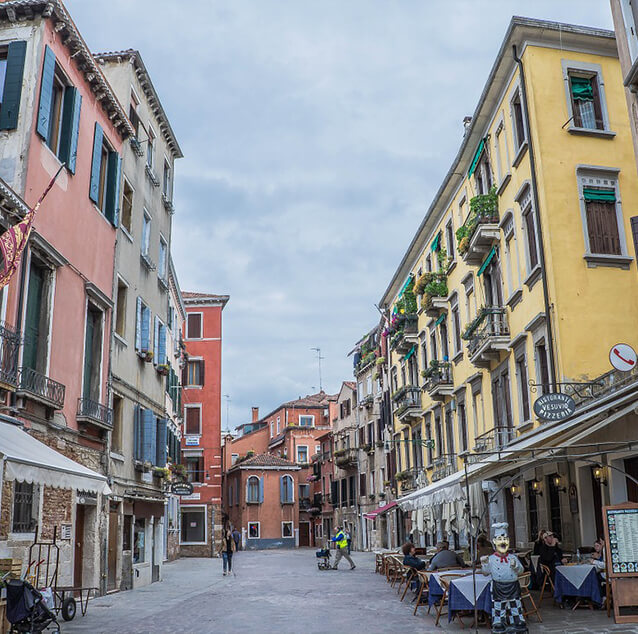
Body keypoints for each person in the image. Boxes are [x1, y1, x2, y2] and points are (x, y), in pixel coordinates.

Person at [481, 523, 527, 633]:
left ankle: (517, 620)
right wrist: (485, 564)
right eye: (500, 539)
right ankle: (498, 622)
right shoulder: (491, 559)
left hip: (513, 585)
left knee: (515, 604)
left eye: (505, 539)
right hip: (498, 586)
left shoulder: (513, 557)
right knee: (498, 606)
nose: (503, 542)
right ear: (495, 542)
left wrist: (515, 566)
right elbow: (485, 573)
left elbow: (521, 570)